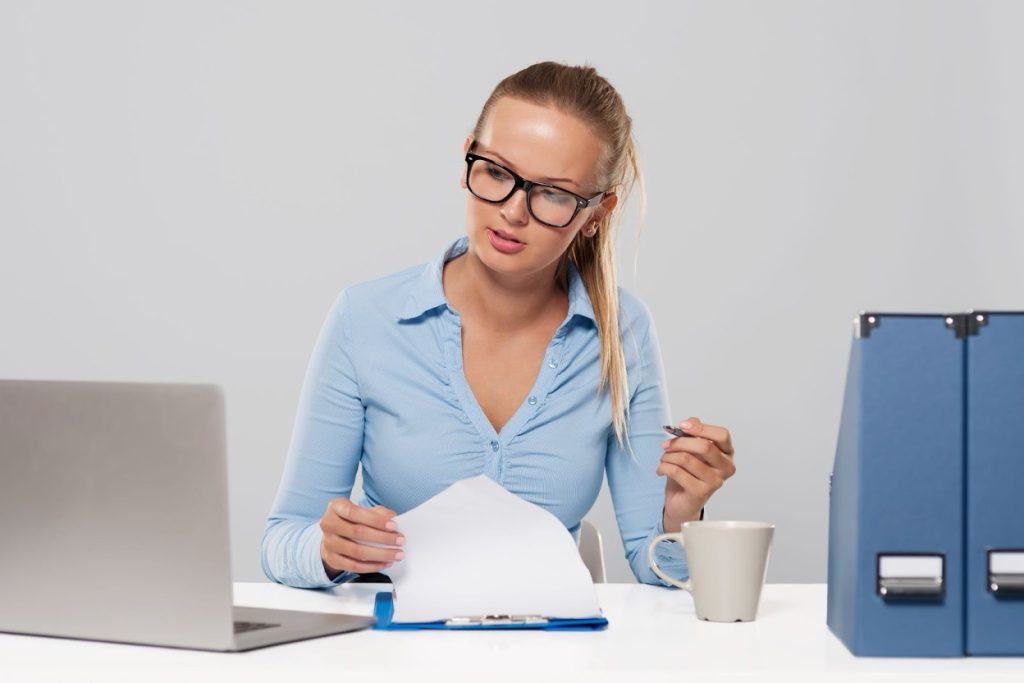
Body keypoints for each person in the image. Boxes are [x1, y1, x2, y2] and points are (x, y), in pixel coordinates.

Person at [261, 61, 736, 589]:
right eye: (496, 172)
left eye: (553, 194)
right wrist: (329, 551)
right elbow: (282, 541)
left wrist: (681, 516)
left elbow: (661, 573)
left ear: (597, 212)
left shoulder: (620, 331)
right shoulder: (366, 317)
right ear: (468, 156)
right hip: (395, 652)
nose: (512, 211)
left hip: (555, 651)